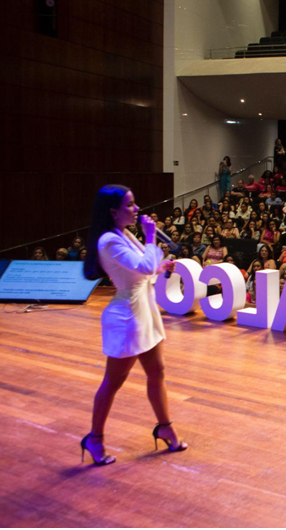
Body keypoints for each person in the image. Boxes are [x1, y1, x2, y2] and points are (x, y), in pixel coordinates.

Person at [80, 185, 187, 465]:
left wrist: (161, 268)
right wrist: (150, 236)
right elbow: (142, 267)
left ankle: (165, 427)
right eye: (130, 204)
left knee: (157, 372)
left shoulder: (123, 234)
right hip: (127, 318)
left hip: (144, 312)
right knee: (113, 382)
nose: (137, 209)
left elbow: (145, 270)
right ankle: (94, 438)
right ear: (113, 211)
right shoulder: (108, 241)